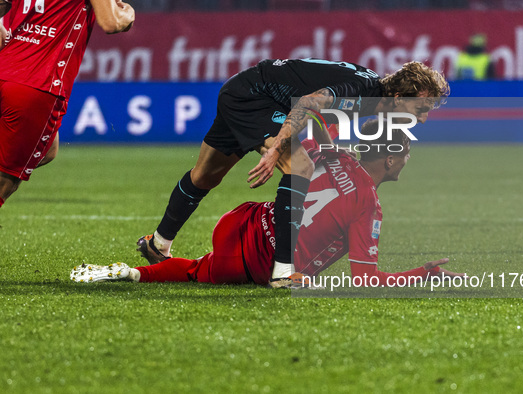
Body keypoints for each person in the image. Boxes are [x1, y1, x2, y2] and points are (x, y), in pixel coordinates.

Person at [136, 59, 450, 289]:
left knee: (205, 175)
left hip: (240, 90)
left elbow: (319, 119)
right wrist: (275, 149)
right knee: (298, 162)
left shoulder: (368, 93)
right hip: (257, 98)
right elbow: (308, 103)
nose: (421, 119)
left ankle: (159, 244)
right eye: (421, 109)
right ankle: (283, 272)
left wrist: (329, 151)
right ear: (399, 98)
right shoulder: (361, 91)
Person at [74, 120, 466, 286]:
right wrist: (422, 272)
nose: (409, 163)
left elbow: (293, 143)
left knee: (199, 269)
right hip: (256, 262)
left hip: (239, 222)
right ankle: (131, 274)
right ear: (393, 160)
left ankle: (132, 272)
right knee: (199, 272)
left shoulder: (334, 157)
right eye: (408, 156)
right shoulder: (369, 206)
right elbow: (365, 279)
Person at [0, 0, 134, 207]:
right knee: (6, 181)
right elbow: (112, 23)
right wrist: (128, 13)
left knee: (48, 149)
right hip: (36, 84)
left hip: (5, 68)